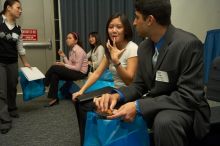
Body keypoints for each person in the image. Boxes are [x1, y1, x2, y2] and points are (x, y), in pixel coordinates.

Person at [94, 0, 210, 146]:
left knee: (164, 121)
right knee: (103, 107)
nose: (134, 23)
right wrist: (117, 96)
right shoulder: (144, 47)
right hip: (156, 102)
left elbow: (188, 97)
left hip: (185, 108)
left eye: (137, 17)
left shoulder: (188, 44)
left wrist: (137, 106)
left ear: (150, 20)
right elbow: (138, 85)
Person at [72, 12, 138, 145]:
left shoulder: (132, 48)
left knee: (88, 105)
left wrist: (116, 61)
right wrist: (82, 90)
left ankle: (92, 140)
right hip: (114, 90)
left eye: (118, 27)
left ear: (125, 29)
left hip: (128, 93)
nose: (114, 30)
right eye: (111, 27)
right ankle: (85, 140)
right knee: (79, 100)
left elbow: (129, 81)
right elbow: (97, 73)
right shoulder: (110, 48)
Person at [0, 0, 31, 134]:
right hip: (0, 62)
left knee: (12, 86)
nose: (20, 10)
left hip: (12, 62)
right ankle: (4, 120)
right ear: (8, 8)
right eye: (18, 7)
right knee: (1, 91)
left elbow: (20, 48)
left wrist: (25, 63)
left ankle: (12, 108)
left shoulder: (18, 29)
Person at [44, 32, 88, 107]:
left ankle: (43, 83)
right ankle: (54, 98)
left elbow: (77, 68)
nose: (67, 40)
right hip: (74, 72)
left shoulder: (79, 51)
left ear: (76, 40)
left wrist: (63, 64)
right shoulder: (71, 50)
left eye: (70, 38)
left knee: (54, 67)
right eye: (67, 38)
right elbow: (70, 65)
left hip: (80, 73)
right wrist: (63, 56)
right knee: (55, 74)